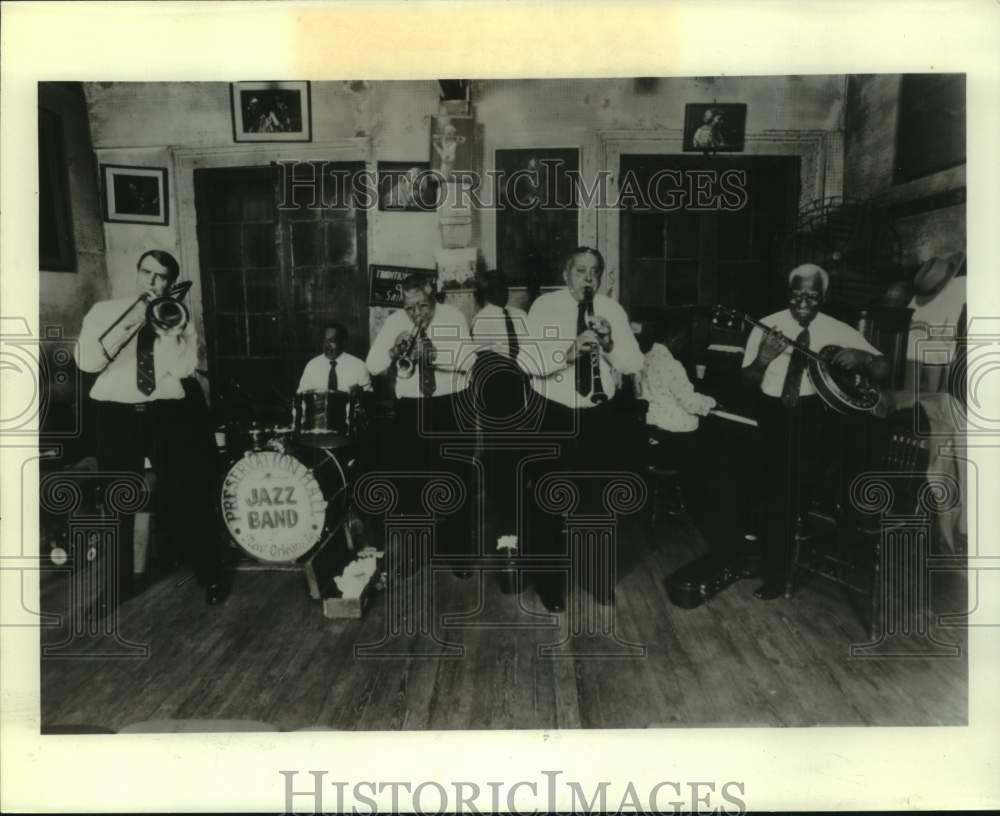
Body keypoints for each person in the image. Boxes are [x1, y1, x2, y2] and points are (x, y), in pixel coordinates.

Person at [75, 250, 227, 606]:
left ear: (170, 284)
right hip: (116, 414)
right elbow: (87, 361)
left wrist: (171, 333)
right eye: (148, 273)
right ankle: (116, 587)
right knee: (117, 501)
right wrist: (128, 326)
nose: (153, 283)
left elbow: (186, 369)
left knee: (190, 494)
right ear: (138, 273)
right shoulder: (104, 311)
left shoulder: (177, 316)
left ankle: (211, 576)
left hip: (167, 412)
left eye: (162, 278)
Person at [740, 263, 889, 600]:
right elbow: (746, 380)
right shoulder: (766, 326)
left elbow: (883, 366)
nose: (803, 302)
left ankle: (788, 568)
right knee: (769, 493)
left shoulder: (838, 329)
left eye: (812, 295)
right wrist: (763, 359)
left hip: (812, 418)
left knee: (792, 494)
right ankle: (770, 567)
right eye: (797, 295)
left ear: (824, 296)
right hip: (772, 413)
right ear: (787, 294)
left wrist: (862, 357)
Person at [520, 247, 644, 611]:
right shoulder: (544, 307)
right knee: (547, 501)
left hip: (596, 416)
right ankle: (549, 586)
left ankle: (595, 578)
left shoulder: (611, 310)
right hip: (553, 414)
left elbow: (634, 362)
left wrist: (607, 343)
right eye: (580, 271)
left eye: (595, 272)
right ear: (565, 274)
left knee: (597, 501)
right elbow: (527, 362)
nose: (588, 279)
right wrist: (568, 353)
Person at [366, 274, 476, 574]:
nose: (416, 315)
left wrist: (434, 356)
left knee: (456, 479)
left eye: (422, 307)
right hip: (412, 408)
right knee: (410, 483)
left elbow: (469, 360)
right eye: (409, 308)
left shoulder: (453, 316)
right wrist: (392, 351)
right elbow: (372, 365)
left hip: (450, 405)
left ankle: (459, 554)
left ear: (434, 297)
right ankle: (417, 552)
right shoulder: (394, 322)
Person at [469, 269, 531, 585]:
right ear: (483, 291)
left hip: (525, 387)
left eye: (504, 286)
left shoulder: (520, 314)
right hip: (498, 391)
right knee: (500, 461)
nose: (501, 291)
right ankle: (505, 530)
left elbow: (534, 352)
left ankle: (522, 522)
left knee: (523, 457)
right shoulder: (482, 319)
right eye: (494, 287)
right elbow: (482, 360)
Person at [640, 325, 716, 512]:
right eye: (683, 341)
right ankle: (697, 502)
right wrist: (712, 401)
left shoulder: (645, 358)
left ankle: (671, 494)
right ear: (674, 339)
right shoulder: (672, 364)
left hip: (653, 431)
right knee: (713, 440)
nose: (683, 347)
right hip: (674, 438)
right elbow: (689, 403)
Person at [296, 322, 371, 395]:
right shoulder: (312, 365)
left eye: (332, 341)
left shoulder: (359, 366)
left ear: (343, 342)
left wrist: (358, 394)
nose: (327, 346)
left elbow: (368, 398)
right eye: (325, 341)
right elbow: (300, 395)